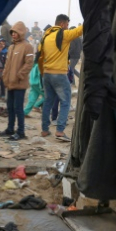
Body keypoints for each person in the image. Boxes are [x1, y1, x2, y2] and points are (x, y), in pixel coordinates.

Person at [39, 14, 83, 142]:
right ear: (63, 24)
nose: (67, 27)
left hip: (46, 74)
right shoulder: (63, 35)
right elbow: (80, 30)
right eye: (67, 25)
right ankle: (60, 130)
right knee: (65, 102)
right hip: (59, 74)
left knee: (48, 101)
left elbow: (40, 55)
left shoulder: (46, 36)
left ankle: (45, 129)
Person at [0, 22, 34, 140]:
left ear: (21, 33)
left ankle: (21, 132)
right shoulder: (11, 47)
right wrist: (4, 76)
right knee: (10, 107)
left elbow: (29, 63)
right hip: (10, 83)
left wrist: (19, 75)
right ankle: (10, 129)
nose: (13, 35)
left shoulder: (27, 46)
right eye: (12, 32)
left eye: (16, 32)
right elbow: (7, 64)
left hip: (19, 83)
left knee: (18, 108)